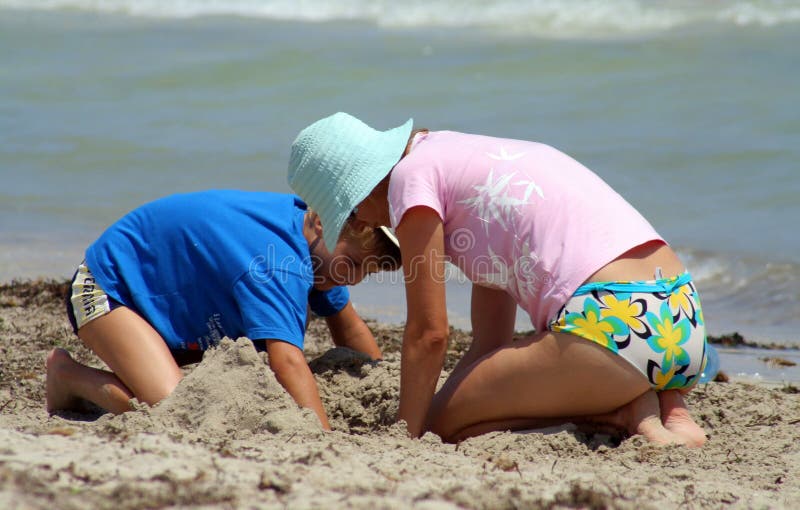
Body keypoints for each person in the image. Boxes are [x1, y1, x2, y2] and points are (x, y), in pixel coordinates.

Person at [287, 112, 709, 447]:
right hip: (682, 322)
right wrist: (449, 401)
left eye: (353, 212)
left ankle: (624, 411)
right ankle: (666, 402)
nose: (365, 222)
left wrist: (410, 434)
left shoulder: (408, 181)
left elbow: (429, 334)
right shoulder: (462, 160)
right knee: (451, 409)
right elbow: (489, 343)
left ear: (359, 191)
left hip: (615, 328)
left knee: (443, 426)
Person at [46, 189, 401, 430]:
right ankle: (68, 375)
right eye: (354, 263)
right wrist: (324, 438)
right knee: (180, 409)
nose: (352, 279)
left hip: (165, 310)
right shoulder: (278, 263)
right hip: (109, 287)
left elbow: (350, 329)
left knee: (184, 396)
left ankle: (145, 368)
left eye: (365, 272)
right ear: (324, 222)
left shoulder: (318, 249)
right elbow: (287, 361)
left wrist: (380, 384)